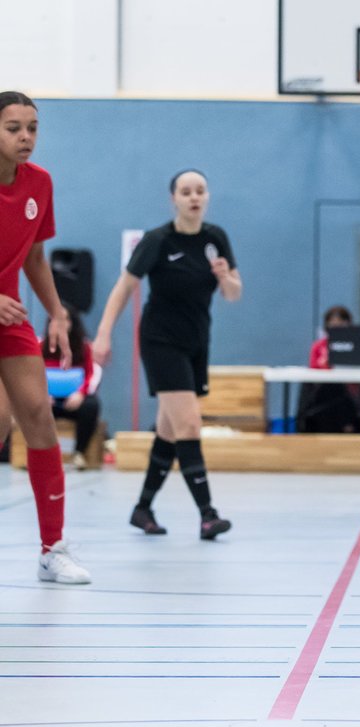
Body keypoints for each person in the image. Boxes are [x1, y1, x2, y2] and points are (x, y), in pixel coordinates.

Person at [92, 169, 242, 539]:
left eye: (200, 191)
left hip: (196, 342)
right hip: (161, 341)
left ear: (207, 196)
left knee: (169, 430)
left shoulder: (216, 238)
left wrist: (225, 277)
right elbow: (123, 288)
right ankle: (208, 515)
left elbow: (234, 294)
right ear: (173, 198)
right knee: (189, 424)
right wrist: (103, 334)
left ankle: (142, 509)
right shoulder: (157, 240)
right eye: (186, 191)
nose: (194, 197)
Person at [0, 91, 91, 583]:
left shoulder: (40, 184)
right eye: (13, 128)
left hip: (10, 317)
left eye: (32, 128)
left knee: (38, 416)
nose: (26, 138)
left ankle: (52, 549)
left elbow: (35, 257)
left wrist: (57, 313)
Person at [41, 305, 102, 470]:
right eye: (55, 319)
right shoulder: (39, 346)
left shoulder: (84, 347)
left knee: (92, 405)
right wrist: (42, 395)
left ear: (72, 323)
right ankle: (42, 455)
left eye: (65, 319)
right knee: (33, 407)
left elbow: (93, 374)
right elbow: (30, 375)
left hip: (74, 401)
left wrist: (80, 394)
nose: (60, 324)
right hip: (49, 402)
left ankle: (79, 453)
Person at [296, 304, 360, 434]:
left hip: (347, 393)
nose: (336, 328)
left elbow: (357, 371)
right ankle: (344, 424)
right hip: (322, 394)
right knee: (331, 387)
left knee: (338, 388)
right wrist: (326, 364)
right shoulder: (319, 346)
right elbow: (313, 372)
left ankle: (347, 424)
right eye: (332, 325)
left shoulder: (355, 346)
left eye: (340, 325)